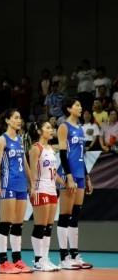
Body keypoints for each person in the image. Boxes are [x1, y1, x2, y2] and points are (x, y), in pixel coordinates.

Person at [0, 109, 33, 274]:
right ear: (8, 120)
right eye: (16, 118)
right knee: (6, 222)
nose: (19, 120)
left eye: (20, 118)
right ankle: (2, 262)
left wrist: (31, 183)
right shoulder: (2, 139)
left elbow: (25, 164)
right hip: (8, 185)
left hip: (21, 185)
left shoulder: (20, 140)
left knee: (18, 224)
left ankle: (17, 260)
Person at [57, 98, 93, 269]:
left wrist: (87, 177)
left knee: (76, 214)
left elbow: (80, 155)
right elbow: (63, 154)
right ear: (69, 108)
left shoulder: (79, 128)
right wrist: (69, 176)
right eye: (77, 105)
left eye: (80, 104)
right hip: (68, 174)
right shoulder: (64, 127)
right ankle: (63, 257)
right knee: (65, 214)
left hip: (80, 174)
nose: (80, 107)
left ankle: (74, 254)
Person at [28, 120, 64, 272]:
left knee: (49, 226)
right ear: (39, 131)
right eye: (48, 127)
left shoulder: (51, 149)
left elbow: (53, 172)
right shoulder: (36, 148)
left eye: (52, 127)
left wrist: (63, 182)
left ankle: (45, 258)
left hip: (52, 189)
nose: (51, 130)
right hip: (40, 188)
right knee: (40, 225)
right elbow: (32, 171)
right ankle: (38, 260)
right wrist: (32, 188)